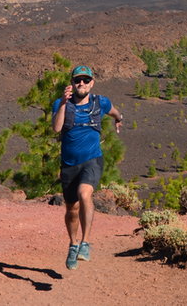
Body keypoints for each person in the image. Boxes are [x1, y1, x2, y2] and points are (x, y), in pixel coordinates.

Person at [51, 64, 123, 270]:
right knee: (71, 209)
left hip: (92, 160)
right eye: (77, 80)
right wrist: (64, 103)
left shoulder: (100, 102)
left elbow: (114, 111)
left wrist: (119, 119)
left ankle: (85, 243)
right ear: (72, 83)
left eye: (85, 80)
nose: (81, 83)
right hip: (68, 164)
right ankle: (73, 244)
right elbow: (57, 127)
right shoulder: (61, 103)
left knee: (85, 194)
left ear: (92, 83)